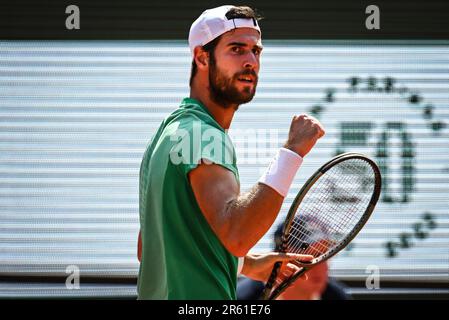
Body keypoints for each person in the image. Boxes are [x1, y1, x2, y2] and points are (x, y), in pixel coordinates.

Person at [137, 5, 325, 299]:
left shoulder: (166, 134)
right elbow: (237, 234)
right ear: (202, 57)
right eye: (237, 49)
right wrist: (292, 152)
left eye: (256, 51)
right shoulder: (203, 135)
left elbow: (150, 248)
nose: (250, 61)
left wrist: (245, 264)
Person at [237, 216, 351, 300]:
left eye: (324, 255)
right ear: (279, 258)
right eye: (308, 257)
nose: (319, 265)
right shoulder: (240, 297)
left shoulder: (337, 296)